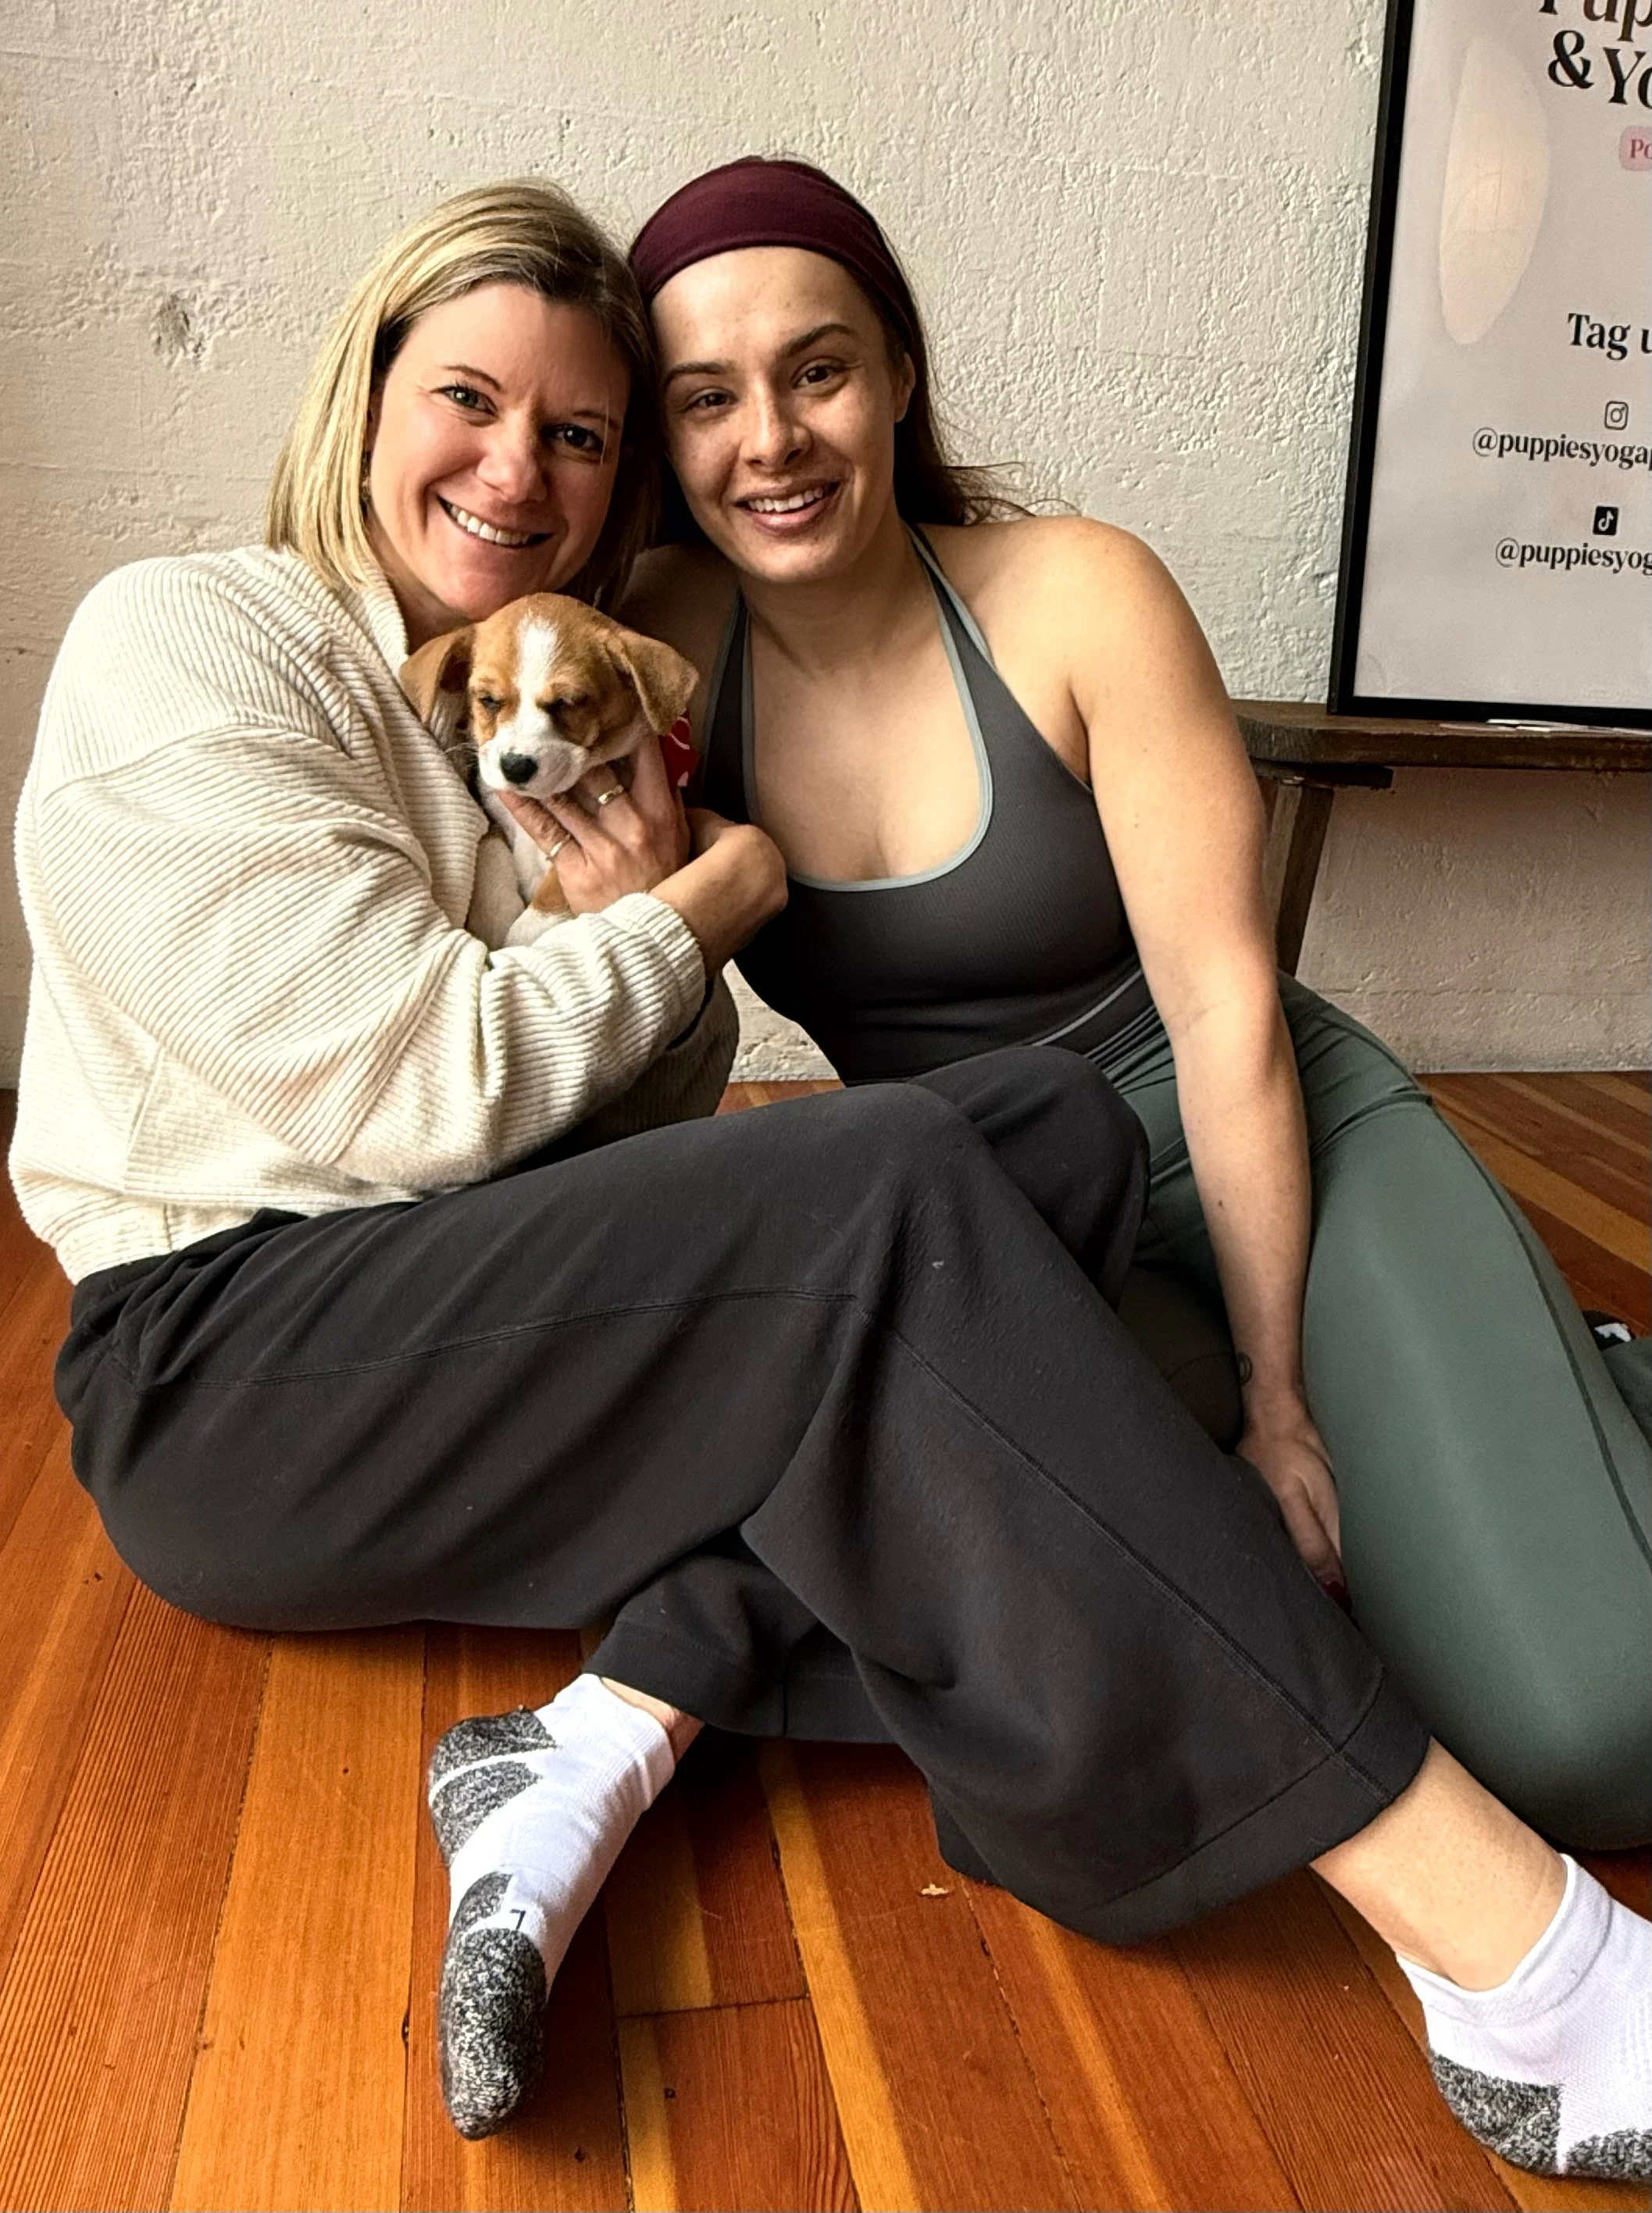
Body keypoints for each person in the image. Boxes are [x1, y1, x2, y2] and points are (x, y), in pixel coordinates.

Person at [9, 180, 1647, 2177]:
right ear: (360, 400)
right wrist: (713, 898)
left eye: (580, 430)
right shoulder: (199, 636)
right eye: (468, 397)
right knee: (899, 1208)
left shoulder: (570, 682)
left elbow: (619, 1155)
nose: (519, 466)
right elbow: (430, 1094)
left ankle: (614, 1723)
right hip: (232, 1359)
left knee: (1022, 1140)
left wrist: (642, 949)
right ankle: (1522, 1969)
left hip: (547, 1304)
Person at [620, 156, 1652, 1851]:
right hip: (1004, 1218)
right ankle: (1559, 1389)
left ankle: (1565, 1381)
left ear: (894, 375)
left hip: (1261, 1132)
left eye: (815, 370)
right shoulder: (651, 641)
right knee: (1291, 1627)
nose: (771, 441)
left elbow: (1229, 1009)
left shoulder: (1076, 591)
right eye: (705, 400)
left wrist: (1279, 1403)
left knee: (1588, 1734)